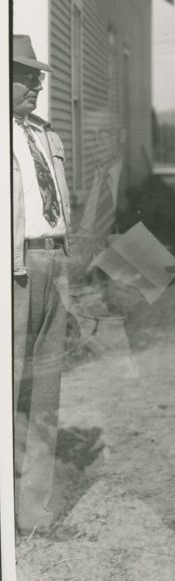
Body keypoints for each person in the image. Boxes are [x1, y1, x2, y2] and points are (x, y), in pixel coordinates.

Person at [11, 34, 72, 535]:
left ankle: (34, 512)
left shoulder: (45, 135)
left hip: (55, 262)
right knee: (8, 391)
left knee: (45, 393)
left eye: (37, 75)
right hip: (14, 269)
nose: (36, 83)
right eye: (23, 74)